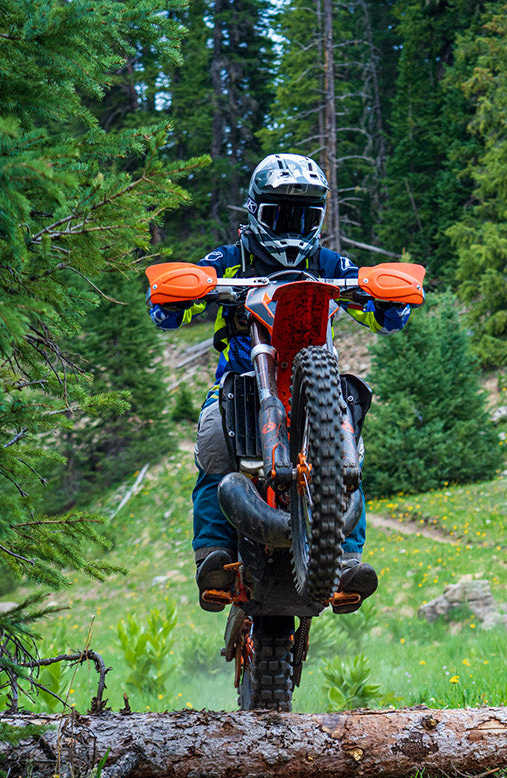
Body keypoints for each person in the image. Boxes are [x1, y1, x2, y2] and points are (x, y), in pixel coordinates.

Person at [150, 153, 411, 613]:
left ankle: (347, 558)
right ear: (255, 211)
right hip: (242, 378)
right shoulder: (233, 259)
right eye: (279, 214)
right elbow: (178, 305)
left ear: (319, 218)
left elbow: (379, 311)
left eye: (303, 215)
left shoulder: (329, 262)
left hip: (314, 385)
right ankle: (213, 556)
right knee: (214, 439)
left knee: (348, 447)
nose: (291, 225)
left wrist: (388, 300)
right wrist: (179, 297)